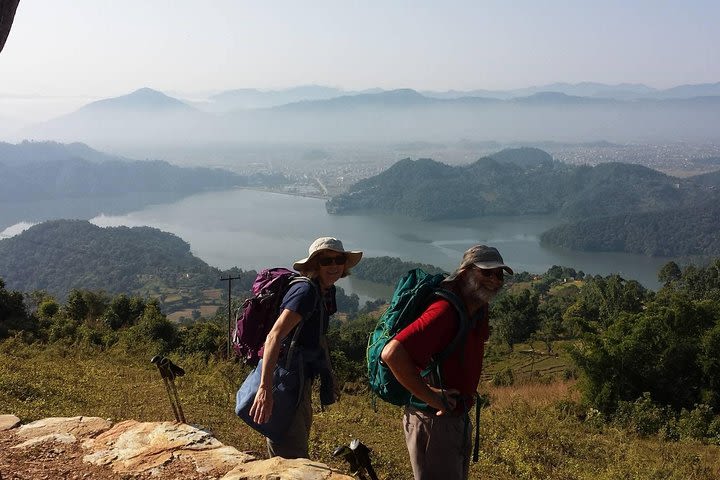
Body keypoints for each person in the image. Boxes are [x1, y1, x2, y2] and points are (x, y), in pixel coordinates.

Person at [381, 245, 513, 480]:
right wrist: (433, 397)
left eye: (499, 274)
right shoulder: (444, 312)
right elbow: (392, 354)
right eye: (487, 273)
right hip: (435, 421)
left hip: (455, 418)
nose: (495, 280)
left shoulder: (477, 308)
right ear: (464, 273)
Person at [249, 236, 362, 459]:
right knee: (291, 452)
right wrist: (265, 388)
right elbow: (274, 336)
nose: (334, 266)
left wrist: (330, 375)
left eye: (338, 259)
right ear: (314, 265)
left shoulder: (324, 291)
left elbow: (319, 337)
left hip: (299, 380)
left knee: (294, 442)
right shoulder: (306, 292)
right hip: (286, 381)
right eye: (325, 261)